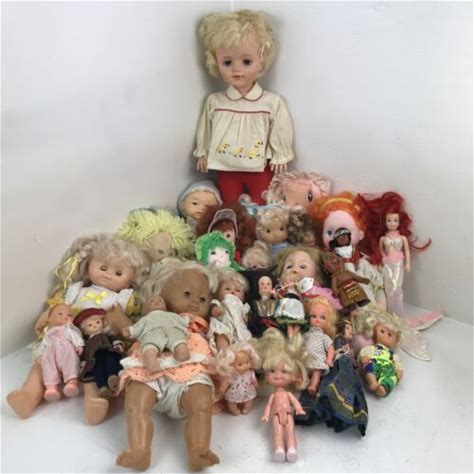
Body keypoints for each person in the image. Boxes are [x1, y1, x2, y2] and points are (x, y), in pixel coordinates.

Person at [194, 10, 294, 204]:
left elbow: (280, 128)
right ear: (215, 61)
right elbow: (205, 128)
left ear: (261, 59)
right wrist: (202, 152)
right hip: (226, 168)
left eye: (247, 61)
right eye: (227, 62)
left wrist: (280, 154)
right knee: (230, 205)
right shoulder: (216, 101)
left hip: (260, 169)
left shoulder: (270, 102)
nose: (236, 69)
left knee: (263, 205)